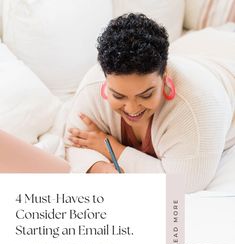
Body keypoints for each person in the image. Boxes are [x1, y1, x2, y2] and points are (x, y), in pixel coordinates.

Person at [64, 13, 235, 193]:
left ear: (165, 76)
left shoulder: (196, 108)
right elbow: (73, 143)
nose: (132, 109)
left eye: (145, 95)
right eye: (118, 96)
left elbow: (183, 184)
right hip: (192, 51)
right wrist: (99, 167)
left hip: (224, 53)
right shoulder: (92, 89)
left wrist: (112, 148)